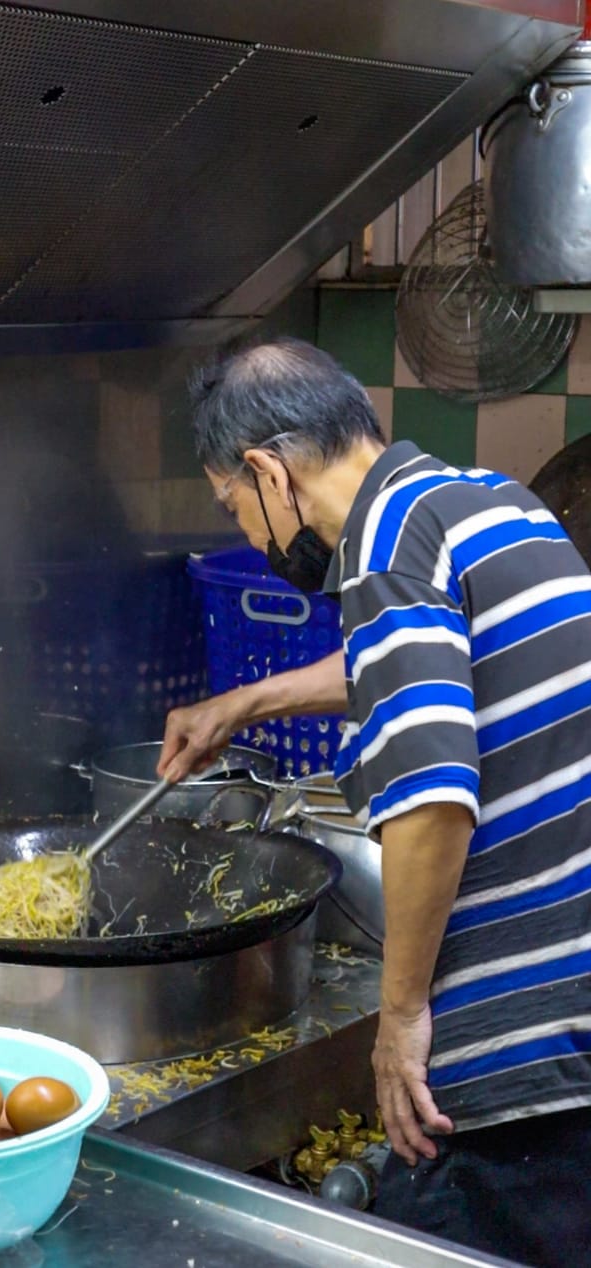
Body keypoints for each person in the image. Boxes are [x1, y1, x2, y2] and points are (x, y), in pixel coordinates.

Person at [157, 336, 591, 1267]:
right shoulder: (488, 502)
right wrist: (245, 702)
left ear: (269, 471)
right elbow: (426, 663)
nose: (251, 537)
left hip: (522, 1044)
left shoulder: (386, 553)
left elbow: (433, 800)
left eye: (235, 507)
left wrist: (400, 1019)